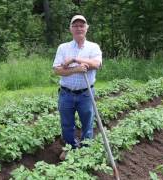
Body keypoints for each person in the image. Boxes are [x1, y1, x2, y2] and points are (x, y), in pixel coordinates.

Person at [52, 15, 102, 160]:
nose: (79, 28)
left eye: (82, 25)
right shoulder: (63, 47)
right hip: (66, 93)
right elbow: (57, 70)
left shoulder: (93, 47)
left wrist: (74, 60)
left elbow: (96, 64)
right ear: (71, 29)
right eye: (75, 25)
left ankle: (86, 150)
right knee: (67, 123)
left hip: (86, 93)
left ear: (87, 28)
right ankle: (70, 148)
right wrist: (76, 69)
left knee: (87, 122)